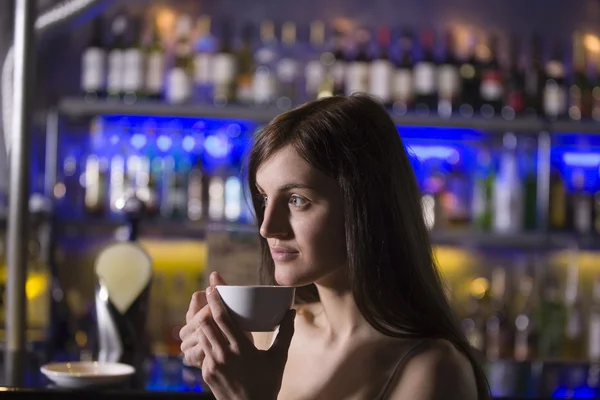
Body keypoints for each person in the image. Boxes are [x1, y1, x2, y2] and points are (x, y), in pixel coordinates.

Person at [180, 94, 491, 400]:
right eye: (264, 198)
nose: (267, 227)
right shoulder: (267, 335)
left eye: (296, 200)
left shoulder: (433, 371)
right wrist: (210, 370)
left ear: (364, 207)